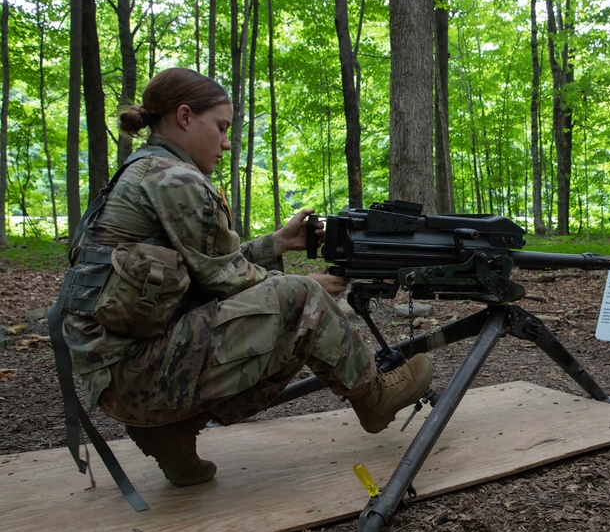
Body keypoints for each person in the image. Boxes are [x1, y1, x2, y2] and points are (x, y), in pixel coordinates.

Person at [60, 67, 433, 487]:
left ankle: (171, 432)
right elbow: (226, 280)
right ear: (185, 117)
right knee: (300, 300)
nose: (225, 143)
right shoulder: (175, 178)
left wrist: (277, 244)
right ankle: (374, 395)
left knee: (293, 315)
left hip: (116, 376)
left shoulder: (144, 168)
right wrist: (311, 289)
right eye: (220, 128)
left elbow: (206, 268)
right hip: (135, 374)